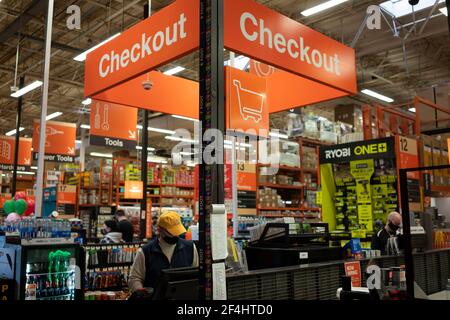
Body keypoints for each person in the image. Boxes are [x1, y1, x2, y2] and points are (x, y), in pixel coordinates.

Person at [128, 211, 199, 293]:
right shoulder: (145, 251)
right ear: (159, 229)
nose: (175, 235)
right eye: (172, 232)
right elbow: (134, 278)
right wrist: (139, 289)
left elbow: (195, 274)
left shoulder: (190, 247)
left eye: (177, 231)